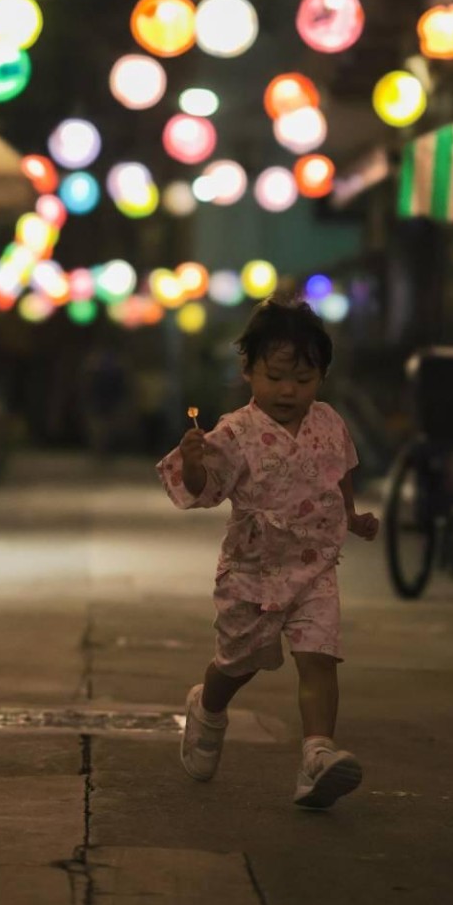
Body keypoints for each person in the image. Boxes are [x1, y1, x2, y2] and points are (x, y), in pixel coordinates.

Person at [157, 297, 379, 810]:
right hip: (253, 568)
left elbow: (337, 472)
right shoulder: (235, 431)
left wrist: (352, 515)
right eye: (276, 377)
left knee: (319, 656)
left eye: (303, 380)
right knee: (241, 661)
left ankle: (316, 754)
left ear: (322, 376)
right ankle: (208, 708)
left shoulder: (328, 422)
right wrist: (193, 464)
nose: (288, 391)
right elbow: (207, 489)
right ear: (248, 371)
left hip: (315, 563)